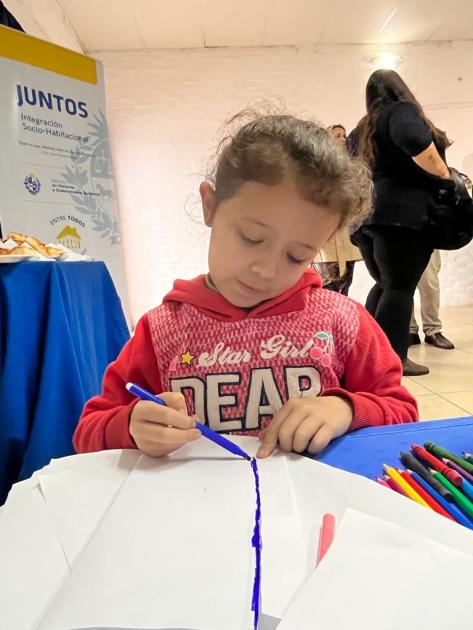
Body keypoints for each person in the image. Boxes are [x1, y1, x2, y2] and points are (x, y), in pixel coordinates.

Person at [73, 112, 418, 461]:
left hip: (309, 510)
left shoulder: (343, 322)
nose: (266, 270)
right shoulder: (162, 331)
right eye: (251, 238)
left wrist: (345, 410)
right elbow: (88, 431)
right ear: (210, 205)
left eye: (297, 256)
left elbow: (403, 412)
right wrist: (131, 425)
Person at [355, 69, 454, 377]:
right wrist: (445, 177)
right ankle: (393, 360)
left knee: (385, 285)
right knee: (399, 289)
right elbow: (413, 137)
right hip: (402, 217)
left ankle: (368, 355)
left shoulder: (363, 128)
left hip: (368, 219)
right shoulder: (400, 111)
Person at [315, 125, 362, 296]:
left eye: (344, 135)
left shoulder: (353, 167)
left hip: (346, 235)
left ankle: (340, 322)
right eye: (337, 135)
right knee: (328, 286)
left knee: (345, 283)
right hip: (326, 235)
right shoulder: (318, 166)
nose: (343, 139)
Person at [409, 250, 454, 349]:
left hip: (425, 238)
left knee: (429, 283)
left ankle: (432, 330)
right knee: (403, 286)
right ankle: (410, 330)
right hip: (397, 239)